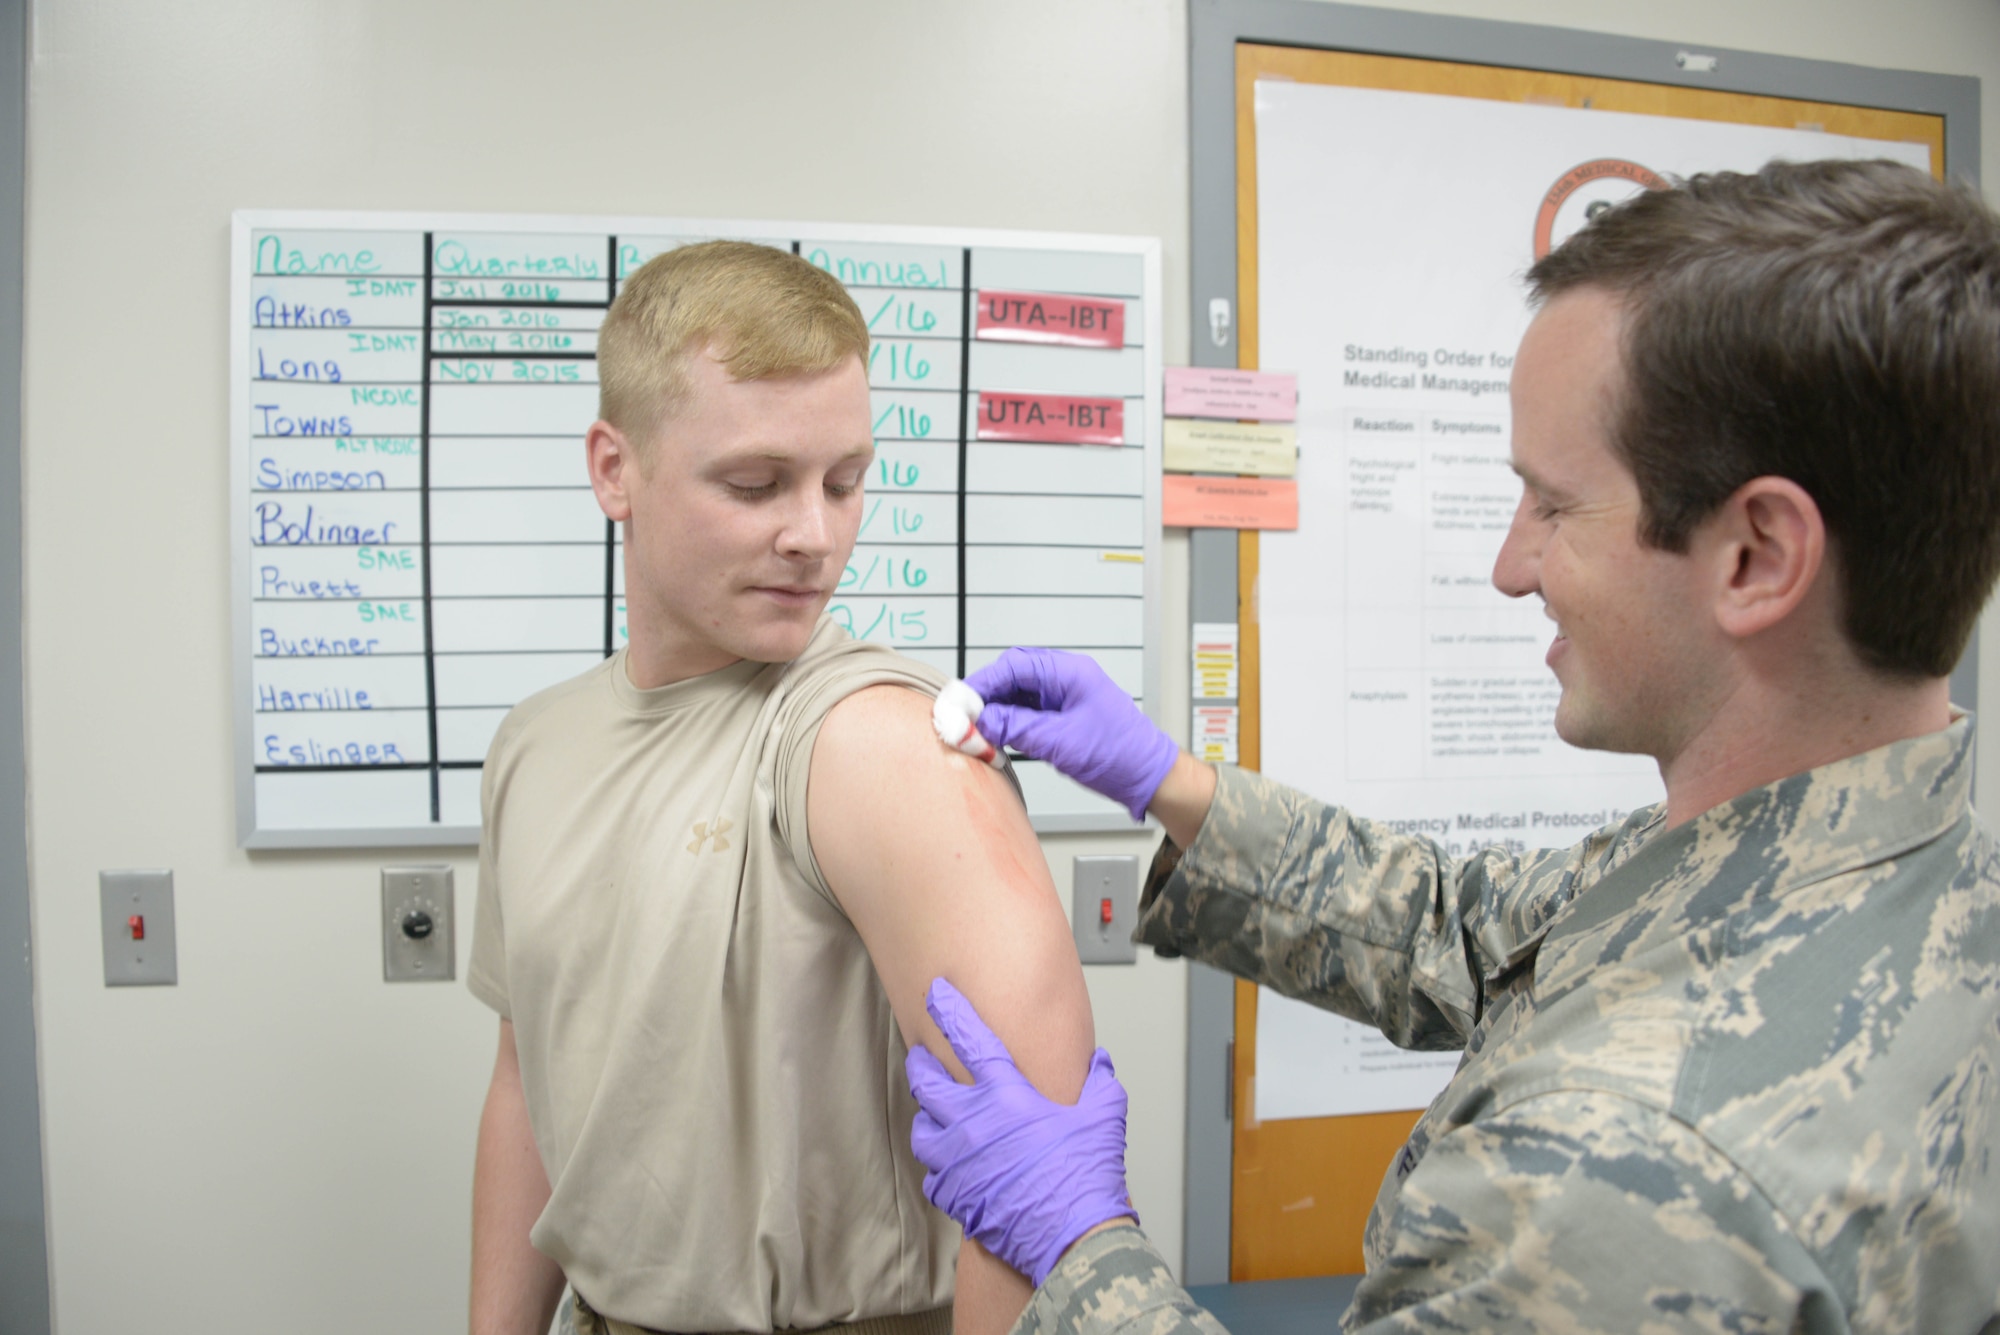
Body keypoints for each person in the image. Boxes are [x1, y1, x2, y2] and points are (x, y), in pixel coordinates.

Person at [903, 159, 2000, 1334]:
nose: (1508, 566)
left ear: (1755, 556)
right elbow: (1483, 942)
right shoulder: (1888, 871)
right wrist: (1172, 787)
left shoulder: (1614, 1179)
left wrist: (1078, 1252)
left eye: (1552, 505)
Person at [465, 241, 1097, 1335]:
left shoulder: (871, 741)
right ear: (614, 469)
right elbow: (529, 1082)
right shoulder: (535, 748)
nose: (813, 535)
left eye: (844, 481)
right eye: (754, 484)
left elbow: (1035, 1145)